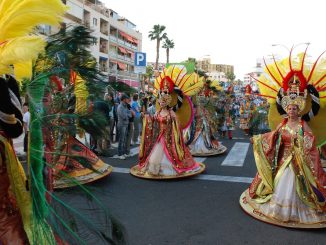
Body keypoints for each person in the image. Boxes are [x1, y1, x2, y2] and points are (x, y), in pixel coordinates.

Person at [240, 48, 326, 228]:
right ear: (286, 109)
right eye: (290, 108)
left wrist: (300, 144)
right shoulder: (283, 124)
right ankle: (280, 209)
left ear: (299, 110)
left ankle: (297, 211)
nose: (292, 110)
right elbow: (273, 136)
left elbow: (310, 140)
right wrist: (257, 139)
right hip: (283, 162)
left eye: (295, 108)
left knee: (298, 188)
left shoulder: (303, 124)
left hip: (299, 163)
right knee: (280, 184)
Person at [130, 65, 205, 179]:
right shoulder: (157, 113)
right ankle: (155, 170)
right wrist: (146, 118)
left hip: (169, 140)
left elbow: (177, 128)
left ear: (167, 102)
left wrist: (173, 136)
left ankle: (169, 168)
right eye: (160, 101)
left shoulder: (172, 114)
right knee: (154, 158)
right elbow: (153, 123)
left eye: (164, 102)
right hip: (158, 139)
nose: (162, 103)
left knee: (169, 158)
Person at [116, 93, 133, 160]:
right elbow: (124, 116)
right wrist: (128, 114)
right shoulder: (120, 106)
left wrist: (128, 114)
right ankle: (120, 154)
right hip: (122, 124)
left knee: (124, 139)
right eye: (126, 98)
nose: (128, 99)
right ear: (123, 99)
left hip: (125, 124)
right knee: (121, 140)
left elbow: (129, 114)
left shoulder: (125, 106)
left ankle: (123, 152)